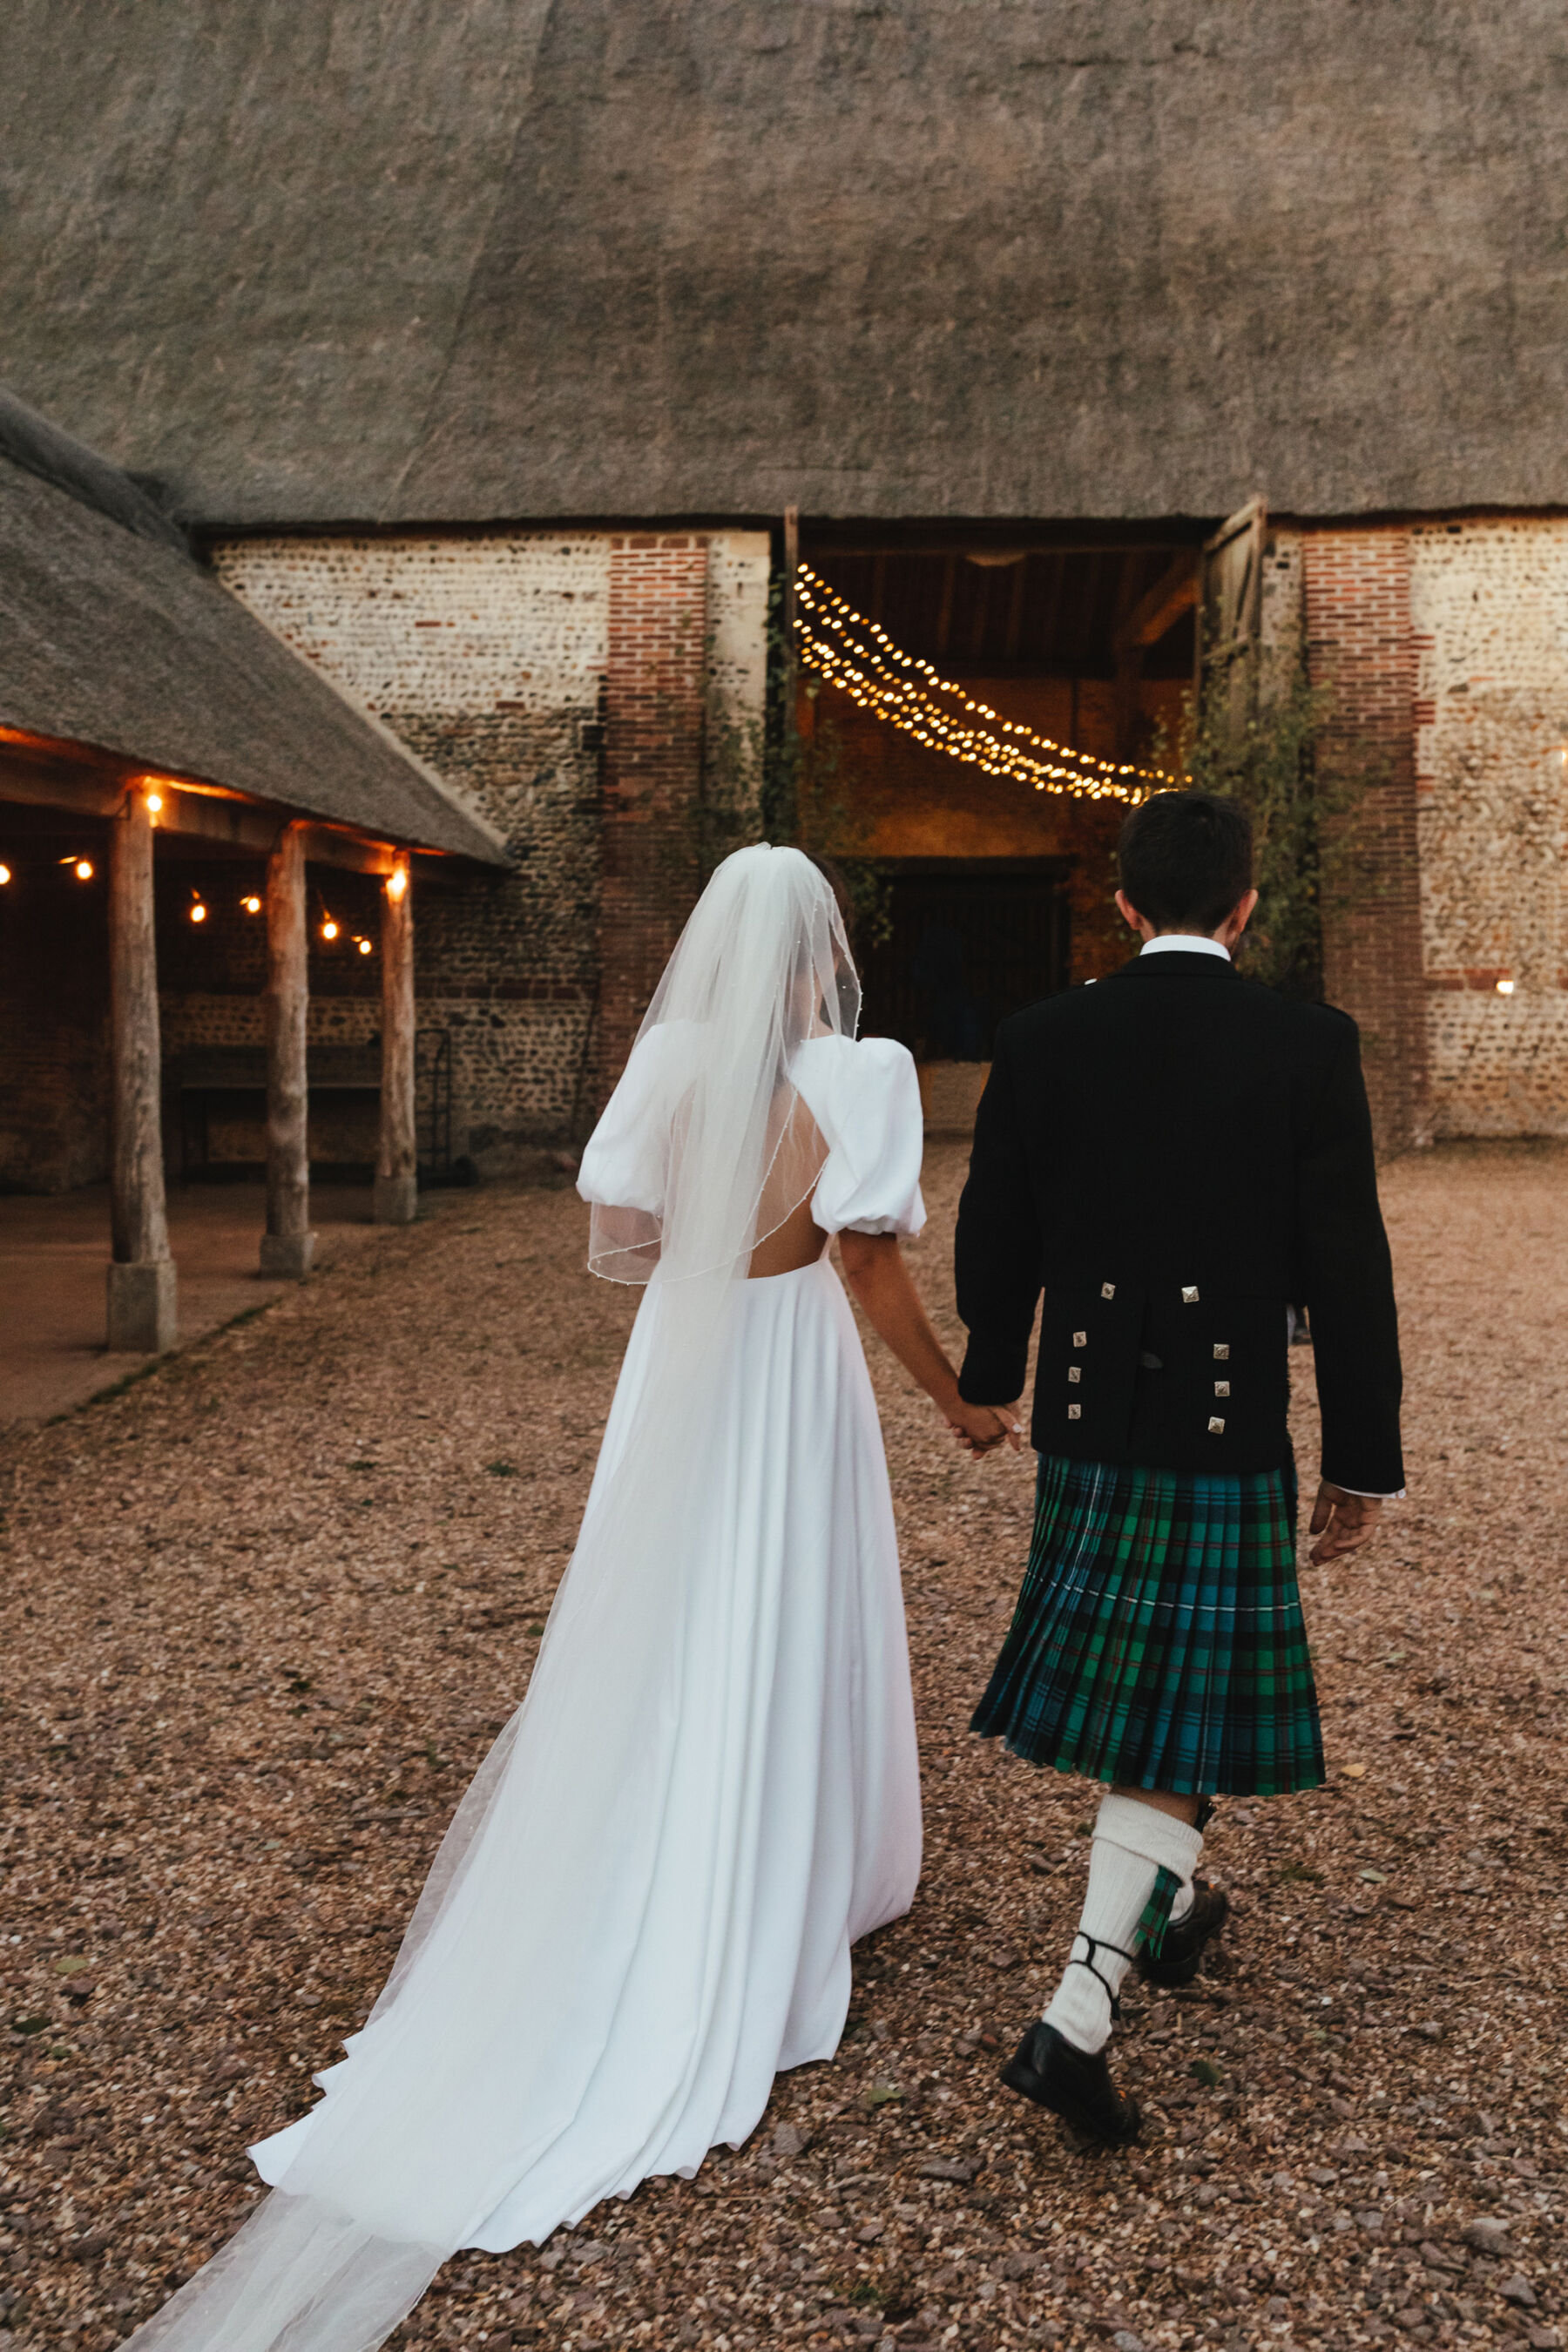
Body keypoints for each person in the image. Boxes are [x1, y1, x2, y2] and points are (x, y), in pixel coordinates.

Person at [118, 845, 1011, 2352]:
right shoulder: (864, 1073)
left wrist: (707, 1278)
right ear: (822, 950)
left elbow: (629, 1217)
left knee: (662, 1611)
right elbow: (866, 1269)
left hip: (683, 1355)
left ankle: (665, 1835)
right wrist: (959, 1407)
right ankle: (783, 1878)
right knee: (787, 1605)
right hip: (791, 1372)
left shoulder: (667, 1061)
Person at [954, 791, 1403, 2146]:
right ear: (1247, 903)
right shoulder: (1308, 1044)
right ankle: (1079, 2014)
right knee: (1186, 1710)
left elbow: (996, 1227)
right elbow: (1350, 1266)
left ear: (1126, 902)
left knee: (1169, 1702)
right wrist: (1360, 1455)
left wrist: (992, 1374)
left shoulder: (1042, 1038)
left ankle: (1175, 1909)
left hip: (1093, 1422)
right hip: (1228, 1425)